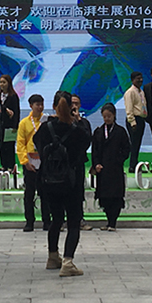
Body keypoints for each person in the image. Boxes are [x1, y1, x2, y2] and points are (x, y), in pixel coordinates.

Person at [33, 90, 91, 277]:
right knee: (73, 221)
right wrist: (77, 121)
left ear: (54, 106)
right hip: (71, 181)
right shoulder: (76, 130)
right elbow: (85, 143)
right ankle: (68, 261)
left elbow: (37, 143)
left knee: (56, 219)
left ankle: (52, 257)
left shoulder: (46, 128)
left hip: (49, 181)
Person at [91, 103, 130, 231]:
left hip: (115, 169)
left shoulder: (120, 131)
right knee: (105, 197)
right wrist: (96, 164)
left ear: (114, 115)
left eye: (109, 116)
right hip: (102, 170)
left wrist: (118, 160)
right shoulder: (98, 132)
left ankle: (113, 222)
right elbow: (95, 151)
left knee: (116, 197)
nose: (107, 119)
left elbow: (126, 149)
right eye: (105, 116)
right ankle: (108, 221)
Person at [16, 94, 49, 232]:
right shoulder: (24, 123)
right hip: (30, 162)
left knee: (45, 193)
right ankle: (29, 221)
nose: (40, 107)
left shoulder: (46, 121)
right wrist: (25, 162)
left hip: (44, 162)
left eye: (41, 104)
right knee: (29, 193)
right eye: (37, 104)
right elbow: (20, 143)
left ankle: (47, 220)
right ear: (31, 106)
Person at [70, 93, 94, 231]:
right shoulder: (61, 121)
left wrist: (78, 120)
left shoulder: (84, 123)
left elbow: (87, 140)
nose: (74, 106)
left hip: (78, 161)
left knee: (79, 191)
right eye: (72, 103)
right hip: (64, 163)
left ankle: (79, 219)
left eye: (77, 103)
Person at [123, 71, 147, 173]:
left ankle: (135, 164)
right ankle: (132, 166)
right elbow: (129, 109)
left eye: (141, 78)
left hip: (141, 119)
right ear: (133, 80)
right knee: (134, 144)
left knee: (137, 144)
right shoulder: (130, 92)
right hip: (134, 120)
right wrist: (132, 122)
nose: (140, 80)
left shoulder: (141, 92)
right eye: (138, 79)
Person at [0, 74, 21, 172]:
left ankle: (11, 165)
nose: (2, 84)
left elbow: (17, 111)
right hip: (0, 125)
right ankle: (4, 165)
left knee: (9, 146)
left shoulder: (13, 96)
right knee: (1, 146)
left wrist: (15, 125)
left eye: (4, 82)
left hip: (9, 125)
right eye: (0, 82)